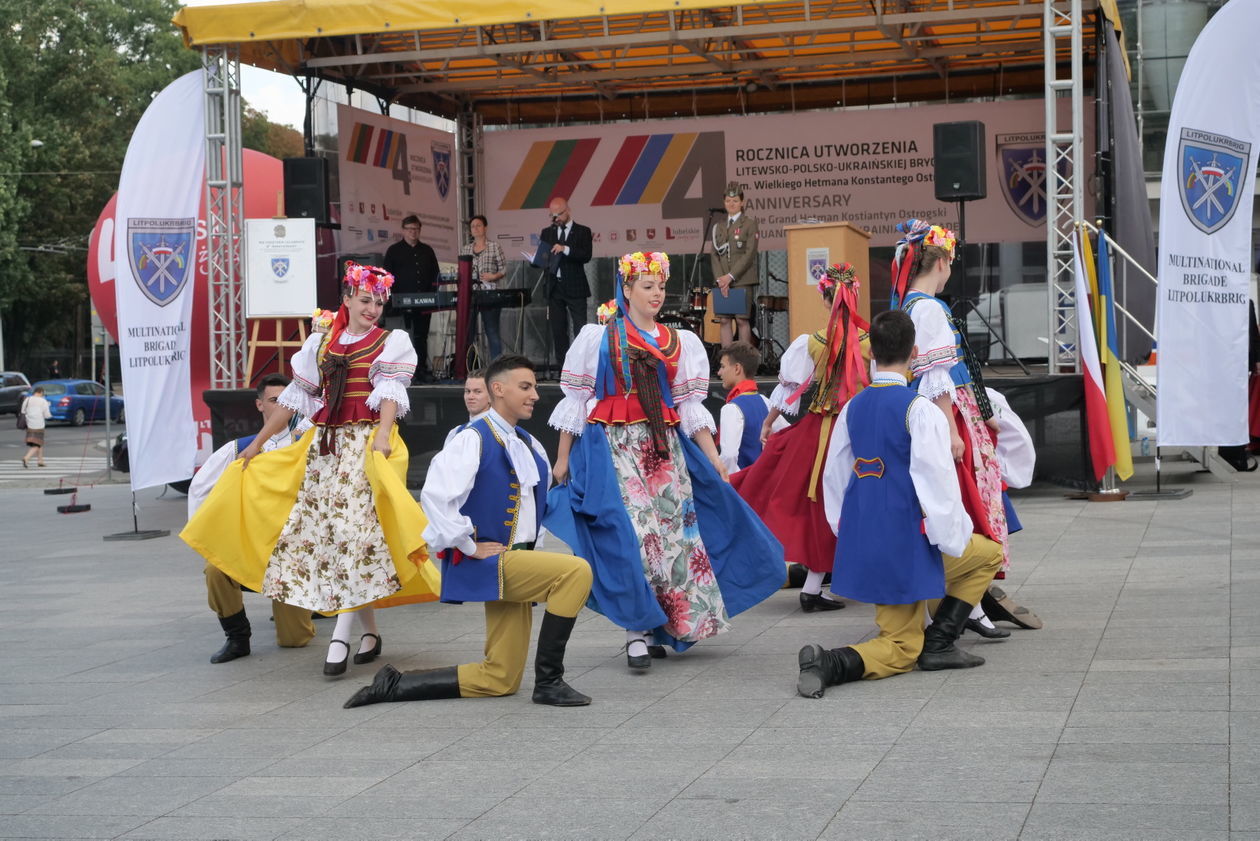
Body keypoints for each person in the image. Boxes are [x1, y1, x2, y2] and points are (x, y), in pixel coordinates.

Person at [181, 263, 440, 677]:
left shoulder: (391, 341)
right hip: (323, 450)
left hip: (364, 445)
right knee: (339, 538)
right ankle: (369, 633)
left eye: (378, 302)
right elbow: (293, 401)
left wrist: (385, 434)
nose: (372, 308)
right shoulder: (321, 344)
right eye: (364, 300)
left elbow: (391, 391)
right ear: (348, 300)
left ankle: (340, 637)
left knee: (353, 533)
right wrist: (258, 443)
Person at [544, 251, 784, 671]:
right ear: (627, 289)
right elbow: (578, 400)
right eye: (647, 286)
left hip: (663, 450)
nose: (656, 294)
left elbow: (690, 408)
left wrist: (714, 460)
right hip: (613, 445)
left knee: (673, 539)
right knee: (631, 535)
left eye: (660, 287)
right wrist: (562, 458)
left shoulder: (679, 342)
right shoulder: (599, 338)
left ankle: (666, 625)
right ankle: (635, 630)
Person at [344, 355, 594, 708]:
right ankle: (550, 680)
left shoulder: (528, 444)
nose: (535, 395)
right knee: (576, 573)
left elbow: (531, 510)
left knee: (500, 678)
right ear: (498, 389)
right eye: (525, 387)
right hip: (489, 560)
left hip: (516, 560)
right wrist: (469, 545)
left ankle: (395, 684)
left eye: (535, 387)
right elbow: (435, 497)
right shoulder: (471, 439)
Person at [797, 309, 1003, 698]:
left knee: (909, 621)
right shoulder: (919, 409)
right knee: (904, 644)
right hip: (908, 544)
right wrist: (948, 537)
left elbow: (834, 477)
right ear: (915, 352)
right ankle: (837, 662)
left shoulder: (851, 408)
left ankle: (935, 639)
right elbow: (937, 483)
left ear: (871, 351)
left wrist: (848, 532)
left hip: (866, 539)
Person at [890, 219, 1042, 630]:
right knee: (966, 502)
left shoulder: (907, 305)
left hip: (932, 411)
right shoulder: (930, 309)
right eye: (951, 262)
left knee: (956, 502)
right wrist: (954, 432)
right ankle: (965, 603)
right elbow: (937, 376)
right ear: (941, 262)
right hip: (947, 414)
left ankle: (962, 602)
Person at [731, 264, 868, 613]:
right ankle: (822, 584)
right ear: (855, 297)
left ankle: (815, 585)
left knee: (817, 503)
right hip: (857, 431)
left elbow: (788, 390)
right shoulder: (870, 342)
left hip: (819, 430)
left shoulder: (813, 342)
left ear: (826, 301)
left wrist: (769, 422)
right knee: (849, 500)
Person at [187, 373, 317, 663]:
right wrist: (210, 539)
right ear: (260, 405)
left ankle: (311, 605)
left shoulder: (308, 444)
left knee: (294, 640)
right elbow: (200, 490)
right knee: (215, 571)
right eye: (274, 400)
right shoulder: (239, 449)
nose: (283, 406)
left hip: (290, 551)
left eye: (288, 401)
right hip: (247, 546)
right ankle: (237, 636)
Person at [715, 342, 786, 475]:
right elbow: (786, 435)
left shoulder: (731, 408)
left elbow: (729, 456)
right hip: (764, 482)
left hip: (742, 486)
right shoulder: (765, 402)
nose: (719, 372)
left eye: (723, 366)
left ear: (737, 368)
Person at [383, 215, 441, 379]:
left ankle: (421, 369)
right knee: (404, 336)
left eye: (416, 229)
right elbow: (387, 276)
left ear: (419, 230)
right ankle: (404, 370)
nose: (413, 232)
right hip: (400, 303)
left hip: (424, 301)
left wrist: (432, 294)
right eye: (409, 229)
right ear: (403, 230)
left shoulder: (427, 250)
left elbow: (435, 275)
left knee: (422, 336)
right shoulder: (394, 251)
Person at [538, 197, 593, 360]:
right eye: (552, 215)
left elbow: (586, 255)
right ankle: (563, 368)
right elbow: (544, 257)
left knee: (580, 328)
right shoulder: (547, 232)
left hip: (575, 286)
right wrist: (537, 259)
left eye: (559, 214)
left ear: (568, 210)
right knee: (558, 330)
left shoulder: (583, 231)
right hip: (554, 287)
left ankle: (582, 366)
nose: (556, 219)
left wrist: (565, 249)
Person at [709, 182, 760, 347]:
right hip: (723, 282)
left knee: (741, 320)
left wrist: (730, 277)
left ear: (742, 203)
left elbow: (749, 254)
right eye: (728, 201)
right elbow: (714, 254)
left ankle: (744, 361)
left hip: (742, 280)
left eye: (735, 201)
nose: (732, 204)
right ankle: (727, 361)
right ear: (724, 203)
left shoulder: (749, 224)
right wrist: (720, 279)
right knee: (724, 320)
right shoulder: (720, 227)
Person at [460, 215, 508, 360]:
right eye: (473, 226)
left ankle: (496, 366)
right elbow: (461, 272)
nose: (475, 228)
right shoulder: (466, 249)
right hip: (470, 294)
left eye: (478, 225)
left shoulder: (494, 246)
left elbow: (504, 269)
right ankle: (469, 366)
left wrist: (493, 276)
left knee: (492, 331)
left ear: (485, 227)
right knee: (468, 332)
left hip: (490, 293)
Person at [443, 370, 491, 447]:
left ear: (491, 396)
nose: (470, 397)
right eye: (467, 391)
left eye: (477, 392)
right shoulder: (455, 432)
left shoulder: (502, 432)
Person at [20, 386, 51, 468]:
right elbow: (47, 415)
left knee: (38, 442)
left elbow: (23, 411)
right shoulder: (43, 401)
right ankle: (26, 458)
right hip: (39, 425)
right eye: (43, 393)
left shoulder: (27, 399)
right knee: (37, 443)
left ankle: (40, 460)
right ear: (41, 392)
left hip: (29, 424)